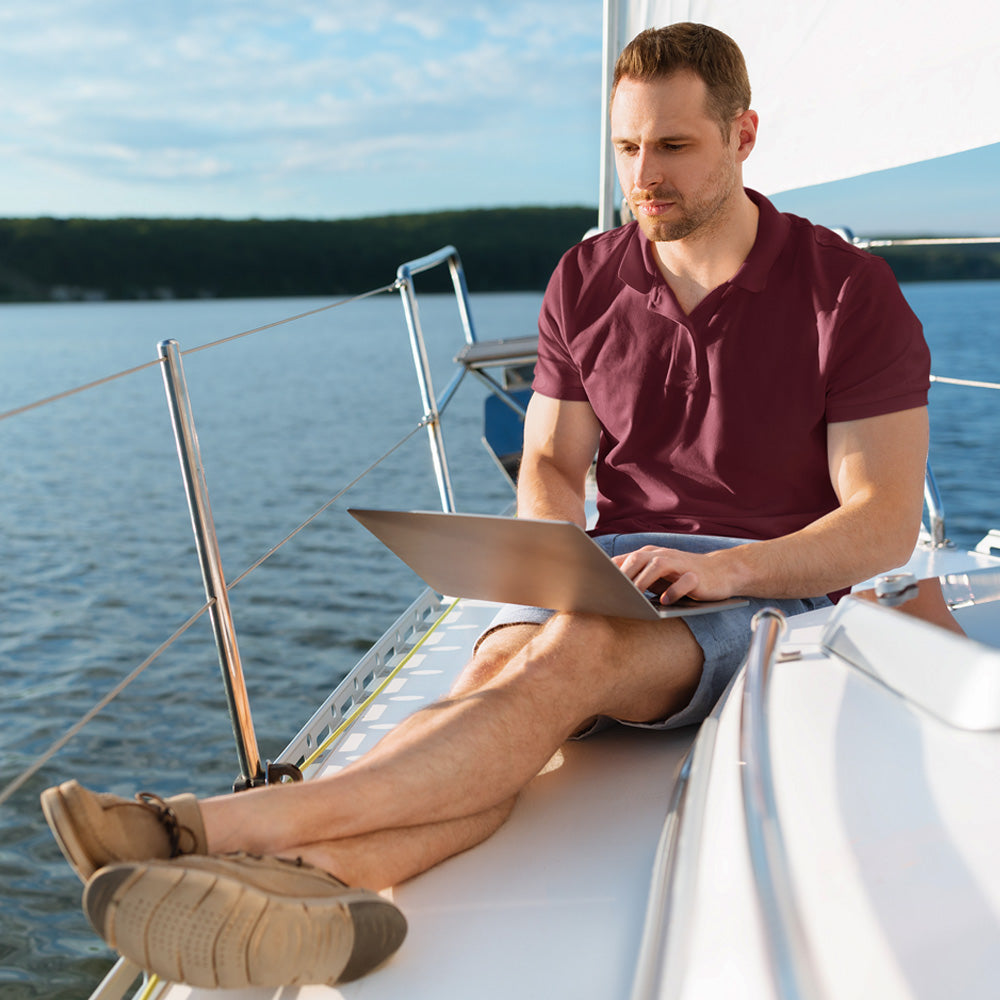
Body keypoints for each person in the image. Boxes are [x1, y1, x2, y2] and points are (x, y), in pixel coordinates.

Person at [41, 22, 930, 990]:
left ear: (743, 135)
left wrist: (723, 569)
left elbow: (879, 521)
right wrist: (553, 561)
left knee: (574, 656)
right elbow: (550, 459)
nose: (645, 174)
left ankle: (207, 823)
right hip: (618, 565)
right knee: (501, 680)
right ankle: (338, 882)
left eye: (673, 146)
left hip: (764, 590)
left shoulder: (844, 292)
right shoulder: (586, 277)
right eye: (626, 148)